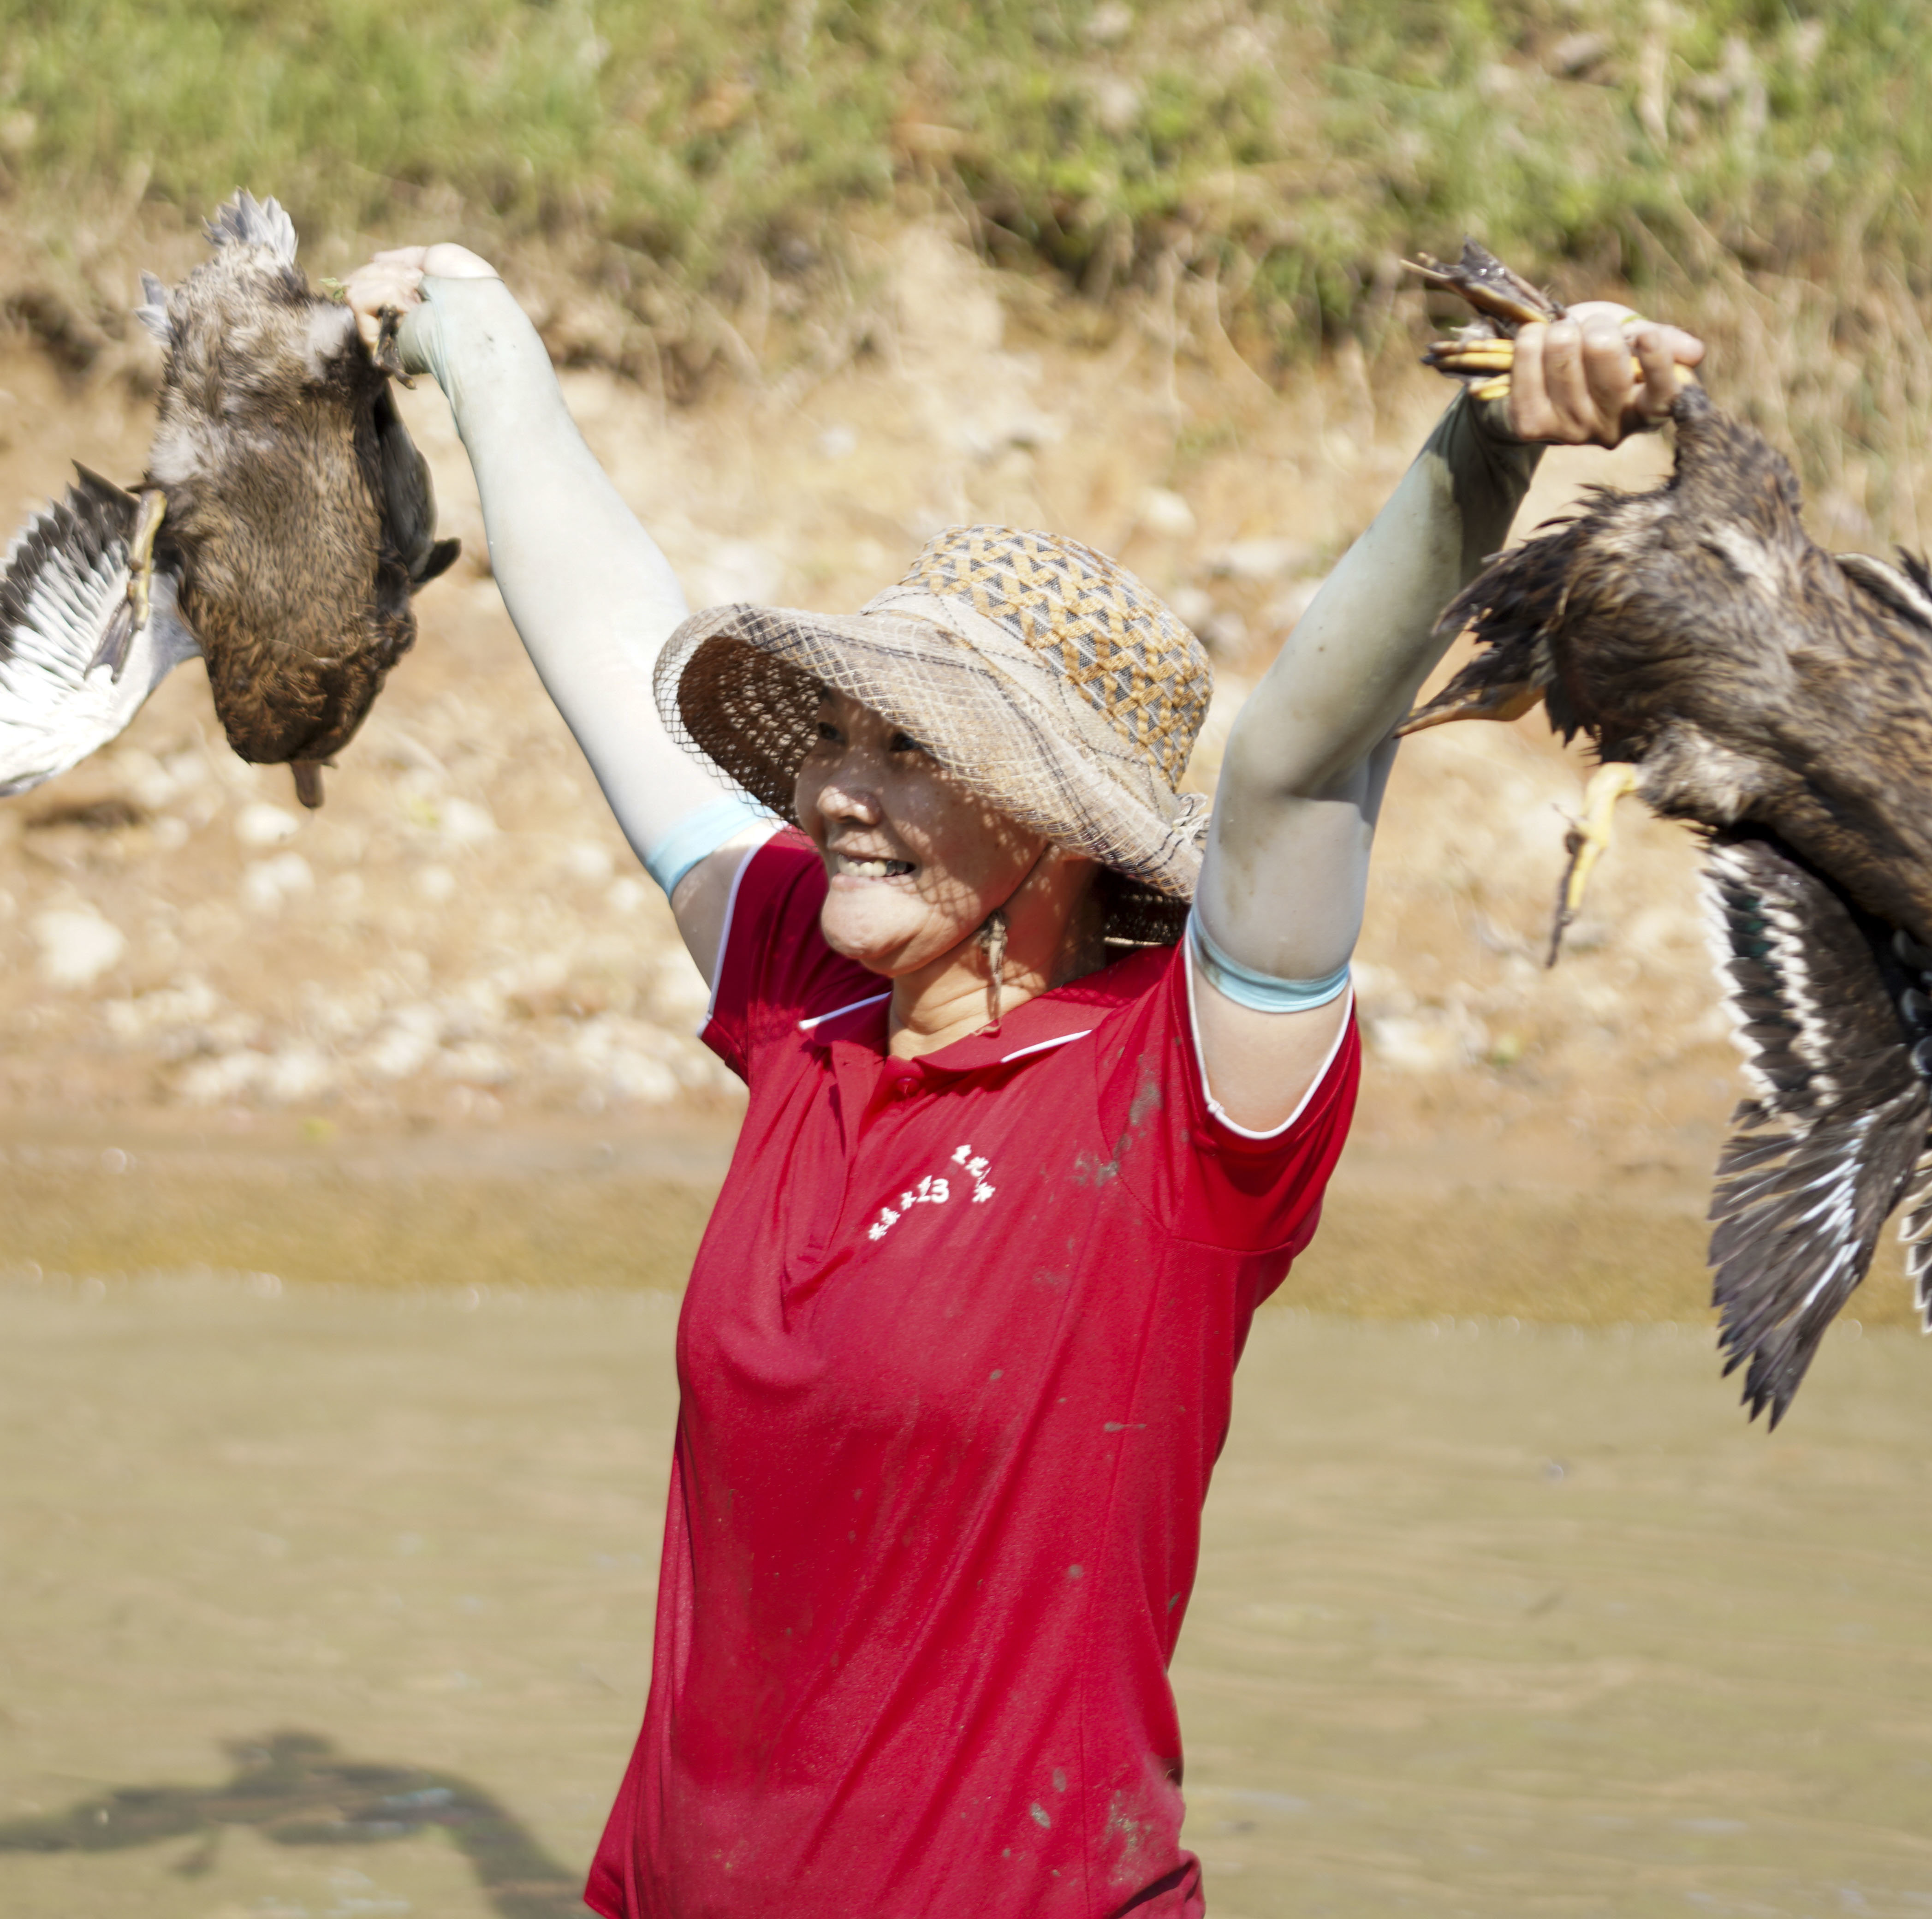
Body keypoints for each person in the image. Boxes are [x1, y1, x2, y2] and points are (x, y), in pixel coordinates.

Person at [339, 241, 1701, 1917]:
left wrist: (1490, 450)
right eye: (838, 735)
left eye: (912, 753)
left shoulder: (1179, 1098)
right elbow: (614, 655)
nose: (837, 789)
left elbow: (1289, 767)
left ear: (1055, 823)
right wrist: (477, 333)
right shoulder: (805, 1004)